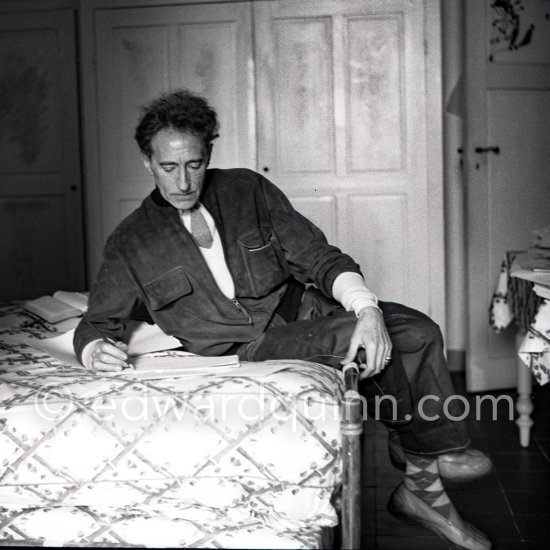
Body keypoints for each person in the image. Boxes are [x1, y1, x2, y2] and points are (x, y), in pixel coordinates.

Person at [74, 89, 492, 549]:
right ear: (147, 163)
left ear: (208, 155)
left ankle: (418, 464)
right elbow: (96, 323)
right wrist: (97, 349)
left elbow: (318, 257)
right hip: (249, 346)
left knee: (415, 328)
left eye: (193, 164)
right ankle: (427, 458)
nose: (183, 182)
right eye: (169, 167)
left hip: (304, 311)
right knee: (360, 339)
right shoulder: (131, 241)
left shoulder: (246, 189)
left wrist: (368, 308)